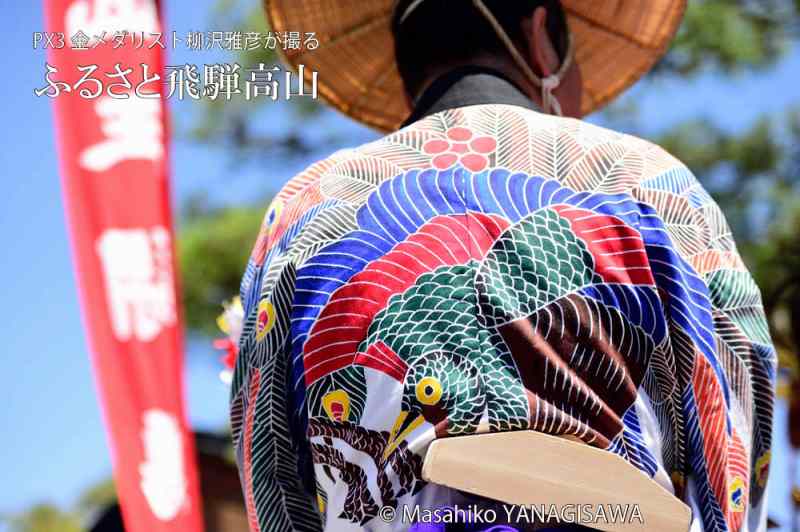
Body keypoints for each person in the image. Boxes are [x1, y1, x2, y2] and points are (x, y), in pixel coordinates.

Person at [228, 1, 776, 530]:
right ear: (540, 37)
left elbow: (272, 472)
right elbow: (732, 412)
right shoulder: (646, 181)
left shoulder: (306, 210)